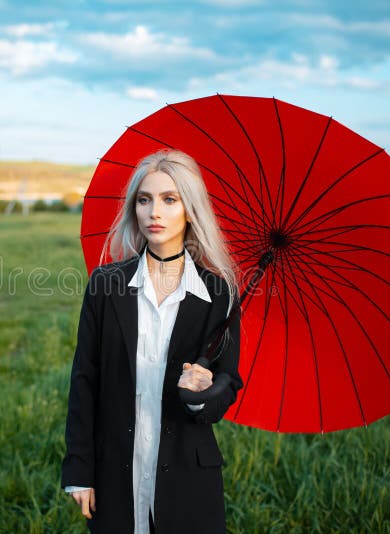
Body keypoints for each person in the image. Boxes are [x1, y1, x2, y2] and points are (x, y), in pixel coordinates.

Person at [61, 149, 242, 533]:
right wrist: (79, 468)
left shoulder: (219, 293)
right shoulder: (106, 285)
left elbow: (229, 384)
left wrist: (202, 395)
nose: (153, 212)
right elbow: (85, 379)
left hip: (188, 478)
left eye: (168, 199)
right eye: (144, 199)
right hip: (115, 471)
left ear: (190, 210)